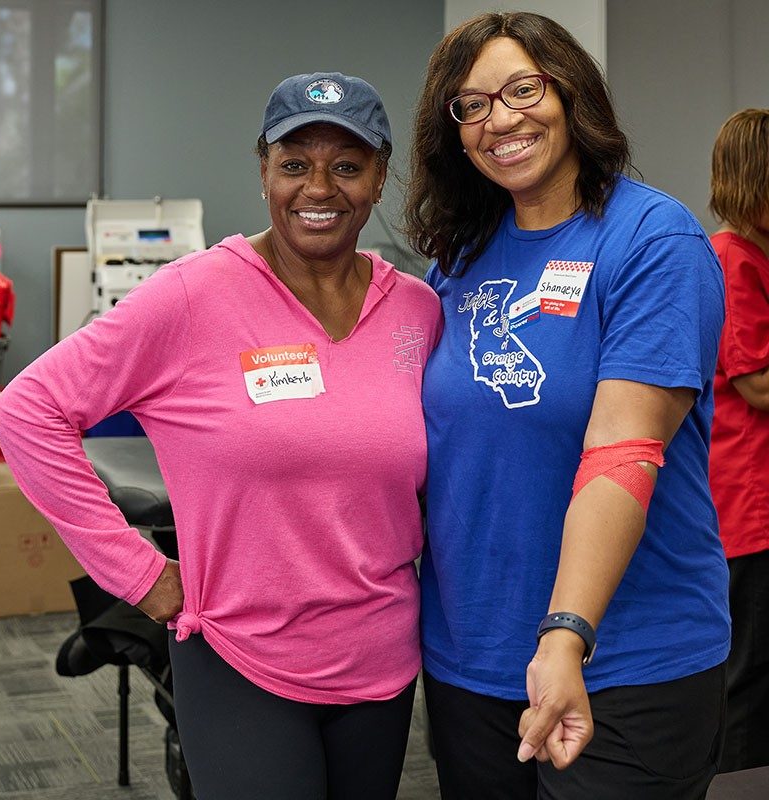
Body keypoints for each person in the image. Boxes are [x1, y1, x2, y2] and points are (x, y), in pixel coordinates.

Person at [0, 71, 441, 799]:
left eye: (347, 166)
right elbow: (26, 413)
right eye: (295, 164)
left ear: (380, 178)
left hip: (380, 661)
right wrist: (139, 575)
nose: (318, 188)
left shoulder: (417, 312)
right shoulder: (193, 295)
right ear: (263, 170)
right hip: (240, 657)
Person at [404, 12, 729, 799]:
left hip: (625, 660)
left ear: (572, 93)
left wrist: (564, 636)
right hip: (472, 660)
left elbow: (624, 452)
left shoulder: (653, 241)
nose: (500, 119)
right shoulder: (462, 258)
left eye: (523, 89)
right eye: (471, 105)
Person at [708, 108, 769, 774]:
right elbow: (755, 385)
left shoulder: (754, 257)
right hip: (746, 505)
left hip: (757, 502)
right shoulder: (732, 261)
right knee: (747, 677)